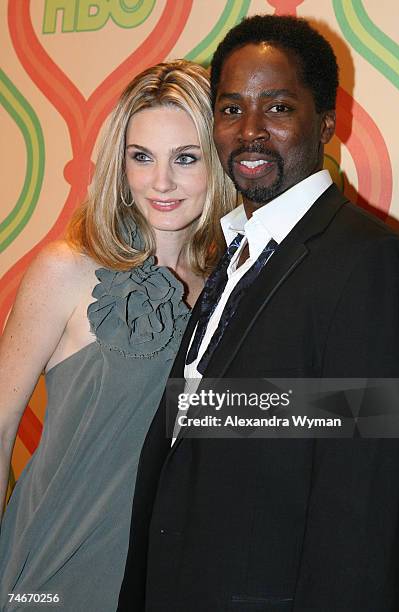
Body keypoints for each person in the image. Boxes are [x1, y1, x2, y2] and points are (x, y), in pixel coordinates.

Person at [118, 15, 399, 612]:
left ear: (327, 123)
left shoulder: (372, 265)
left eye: (278, 108)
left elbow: (367, 506)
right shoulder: (231, 257)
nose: (249, 131)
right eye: (231, 110)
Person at [0, 60, 235, 611]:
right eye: (142, 157)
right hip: (54, 570)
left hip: (171, 577)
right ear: (121, 164)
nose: (161, 182)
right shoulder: (67, 269)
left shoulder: (230, 291)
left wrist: (377, 410)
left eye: (185, 158)